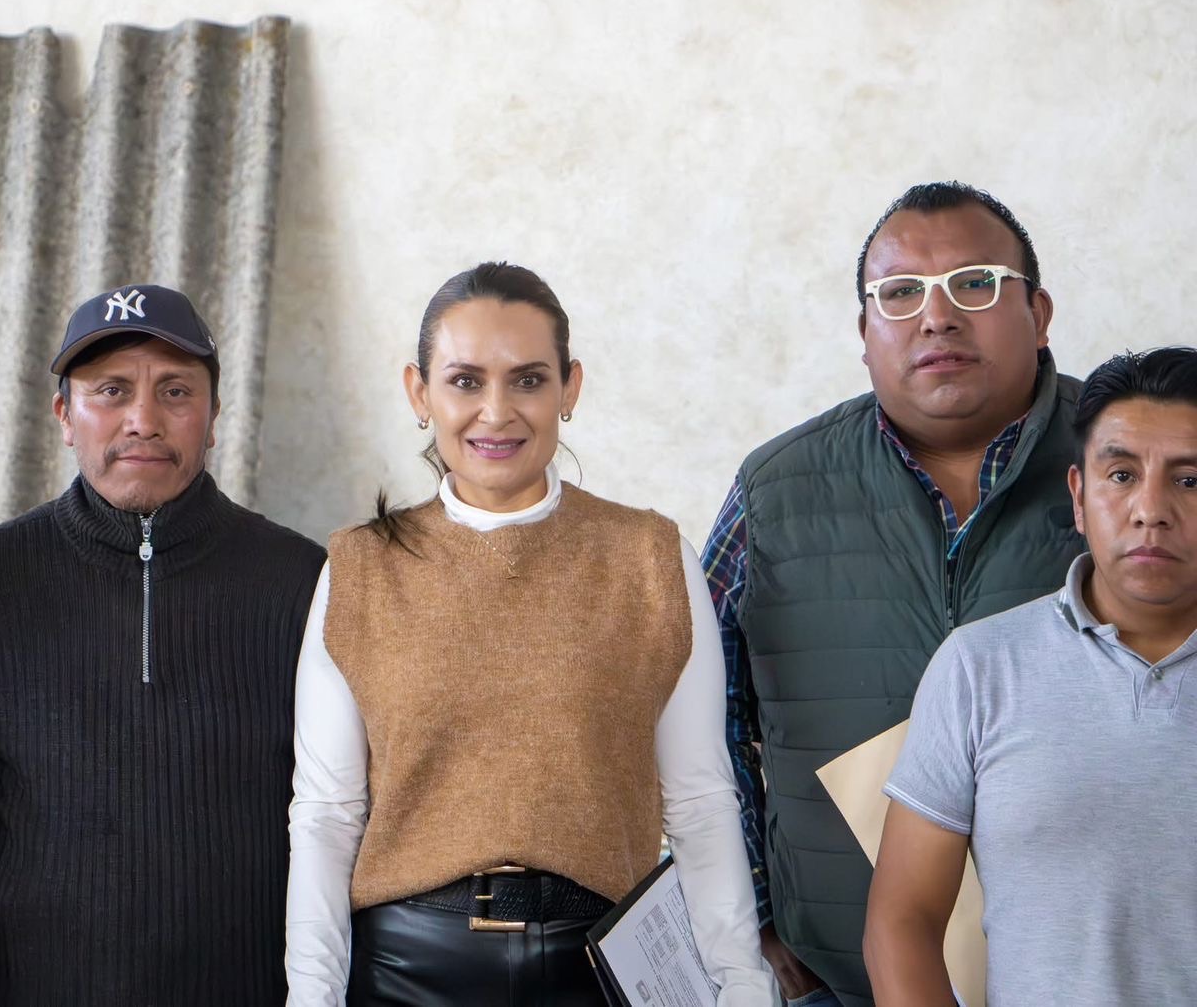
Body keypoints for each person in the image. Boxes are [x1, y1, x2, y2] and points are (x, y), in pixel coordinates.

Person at [287, 262, 779, 1006]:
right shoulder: (360, 569)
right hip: (403, 974)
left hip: (599, 971)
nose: (496, 412)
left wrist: (742, 985)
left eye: (527, 380)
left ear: (569, 389)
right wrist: (311, 998)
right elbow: (327, 818)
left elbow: (702, 803)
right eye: (464, 381)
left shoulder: (649, 558)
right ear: (419, 393)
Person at [702, 181, 1085, 1006]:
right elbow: (701, 727)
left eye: (975, 283)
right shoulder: (775, 492)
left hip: (1095, 976)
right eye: (901, 292)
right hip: (835, 981)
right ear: (864, 332)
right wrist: (752, 920)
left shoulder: (1135, 468)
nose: (937, 317)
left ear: (1040, 312)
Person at [0, 284, 326, 1004]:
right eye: (110, 391)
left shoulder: (301, 583)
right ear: (64, 417)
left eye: (175, 391)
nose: (143, 420)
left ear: (214, 417)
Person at [865, 347, 1197, 1006]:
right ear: (1079, 497)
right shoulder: (979, 666)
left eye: (1190, 481)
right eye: (1122, 474)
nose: (1150, 509)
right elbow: (902, 920)